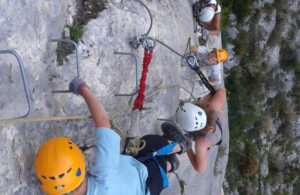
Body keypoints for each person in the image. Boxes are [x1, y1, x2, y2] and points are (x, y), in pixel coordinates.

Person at [34, 77, 191, 195]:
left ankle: (171, 163)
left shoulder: (105, 170)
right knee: (150, 145)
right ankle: (181, 146)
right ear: (80, 161)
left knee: (153, 161)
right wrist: (82, 88)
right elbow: (103, 122)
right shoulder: (104, 168)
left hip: (138, 181)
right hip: (147, 183)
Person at [162, 88, 226, 173]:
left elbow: (200, 169)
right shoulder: (213, 106)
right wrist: (205, 99)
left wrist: (188, 148)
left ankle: (185, 144)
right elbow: (221, 91)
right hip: (217, 123)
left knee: (186, 143)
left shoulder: (201, 143)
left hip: (212, 135)